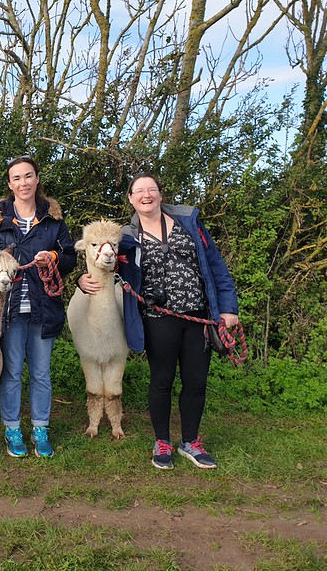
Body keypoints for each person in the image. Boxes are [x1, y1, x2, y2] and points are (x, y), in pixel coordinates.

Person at [78, 172, 239, 470]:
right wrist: (80, 279)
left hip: (198, 316)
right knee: (162, 380)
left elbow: (215, 265)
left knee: (195, 381)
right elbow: (101, 259)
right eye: (139, 191)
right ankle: (162, 441)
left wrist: (228, 308)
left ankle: (190, 442)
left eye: (151, 189)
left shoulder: (189, 222)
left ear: (161, 195)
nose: (146, 195)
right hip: (157, 317)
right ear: (130, 198)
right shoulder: (126, 237)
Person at [0, 156, 76, 458]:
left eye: (28, 176)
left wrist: (54, 258)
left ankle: (40, 429)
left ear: (36, 180)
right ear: (10, 184)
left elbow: (70, 256)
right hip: (8, 311)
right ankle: (12, 429)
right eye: (17, 178)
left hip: (43, 307)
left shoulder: (53, 221)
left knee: (41, 373)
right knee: (11, 373)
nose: (23, 183)